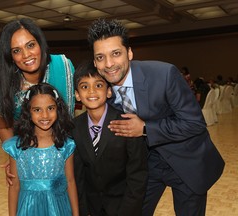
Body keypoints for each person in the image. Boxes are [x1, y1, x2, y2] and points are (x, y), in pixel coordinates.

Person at [87, 18, 225, 216]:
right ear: (94, 61)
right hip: (145, 167)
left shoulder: (164, 74)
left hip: (185, 161)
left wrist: (145, 128)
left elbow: (194, 123)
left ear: (130, 53)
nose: (108, 64)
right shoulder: (102, 91)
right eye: (100, 57)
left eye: (115, 54)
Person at [72, 60, 148, 215]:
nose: (92, 91)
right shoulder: (74, 128)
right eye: (85, 86)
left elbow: (137, 174)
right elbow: (78, 176)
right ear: (77, 95)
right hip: (92, 207)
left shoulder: (127, 123)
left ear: (108, 91)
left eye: (98, 85)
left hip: (124, 206)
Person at [0, 18, 75, 143]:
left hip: (69, 149)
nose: (26, 55)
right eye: (16, 51)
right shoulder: (3, 91)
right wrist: (14, 155)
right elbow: (3, 127)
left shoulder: (62, 66)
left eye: (30, 45)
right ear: (10, 56)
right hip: (30, 155)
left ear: (40, 44)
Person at [2, 83, 79, 216]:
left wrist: (76, 214)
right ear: (28, 112)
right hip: (28, 208)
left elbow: (70, 181)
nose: (45, 115)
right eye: (37, 110)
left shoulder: (66, 145)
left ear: (58, 109)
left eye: (50, 108)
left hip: (58, 208)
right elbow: (14, 186)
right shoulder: (17, 146)